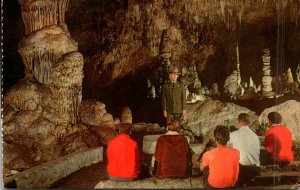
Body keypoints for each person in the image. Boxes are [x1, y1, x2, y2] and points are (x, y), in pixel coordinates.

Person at [228, 113, 260, 186]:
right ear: (249, 122)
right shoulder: (255, 136)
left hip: (241, 170)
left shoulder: (233, 135)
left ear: (238, 121)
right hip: (255, 169)